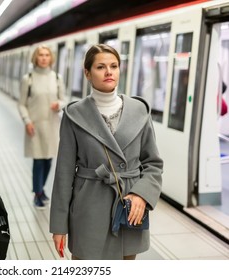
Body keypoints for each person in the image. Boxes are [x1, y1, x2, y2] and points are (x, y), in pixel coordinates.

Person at [49, 44, 163, 260]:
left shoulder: (139, 111)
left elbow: (153, 164)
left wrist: (141, 194)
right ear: (87, 73)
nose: (109, 71)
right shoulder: (74, 115)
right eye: (101, 67)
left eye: (114, 66)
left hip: (128, 209)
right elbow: (63, 174)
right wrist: (59, 226)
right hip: (88, 208)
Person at [18, 45, 66, 209]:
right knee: (38, 161)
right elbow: (22, 104)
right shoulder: (28, 78)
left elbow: (63, 99)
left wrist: (58, 104)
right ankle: (37, 193)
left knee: (48, 160)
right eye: (41, 55)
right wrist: (27, 121)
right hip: (35, 126)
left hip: (53, 125)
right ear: (35, 58)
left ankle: (41, 189)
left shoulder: (57, 78)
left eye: (47, 55)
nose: (44, 58)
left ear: (51, 58)